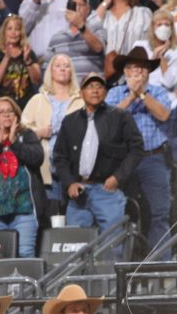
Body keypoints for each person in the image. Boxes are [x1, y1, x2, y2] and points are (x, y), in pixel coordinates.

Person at [52, 73, 144, 234]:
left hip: (107, 190)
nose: (95, 91)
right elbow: (60, 156)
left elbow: (136, 149)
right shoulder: (70, 121)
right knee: (76, 247)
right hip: (78, 193)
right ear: (81, 93)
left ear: (106, 93)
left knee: (112, 245)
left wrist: (118, 177)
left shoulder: (120, 117)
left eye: (99, 87)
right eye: (90, 87)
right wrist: (69, 183)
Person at [106, 47, 174, 259]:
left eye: (141, 68)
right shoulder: (115, 93)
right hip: (123, 162)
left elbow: (163, 115)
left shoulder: (159, 92)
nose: (137, 72)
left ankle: (160, 270)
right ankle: (124, 267)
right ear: (125, 72)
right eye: (132, 68)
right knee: (122, 214)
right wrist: (130, 96)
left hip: (152, 158)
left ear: (147, 72)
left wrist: (142, 94)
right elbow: (109, 121)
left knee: (158, 213)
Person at [0, 97, 46, 255]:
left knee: (25, 254)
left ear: (16, 115)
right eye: (1, 112)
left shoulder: (27, 135)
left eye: (10, 111)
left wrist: (14, 143)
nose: (6, 115)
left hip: (24, 210)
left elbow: (37, 159)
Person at [21, 54, 83, 205]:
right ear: (50, 71)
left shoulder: (81, 100)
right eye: (58, 65)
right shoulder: (38, 100)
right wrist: (38, 132)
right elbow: (21, 130)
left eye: (66, 65)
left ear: (71, 72)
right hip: (47, 170)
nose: (62, 68)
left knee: (75, 217)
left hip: (74, 168)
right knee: (52, 216)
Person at [89, 0, 153, 82]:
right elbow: (90, 27)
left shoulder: (142, 13)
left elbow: (150, 41)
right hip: (108, 75)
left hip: (135, 74)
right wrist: (106, 0)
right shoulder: (104, 15)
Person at [45, 0, 106, 81]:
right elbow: (47, 69)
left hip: (91, 89)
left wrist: (81, 26)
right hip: (66, 91)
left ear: (88, 10)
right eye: (73, 5)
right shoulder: (56, 38)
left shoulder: (97, 29)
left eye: (81, 5)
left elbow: (98, 48)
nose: (77, 8)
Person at [0, 14, 42, 109]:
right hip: (3, 106)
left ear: (21, 32)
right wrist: (6, 57)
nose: (13, 32)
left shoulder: (28, 52)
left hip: (26, 105)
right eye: (10, 29)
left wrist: (28, 61)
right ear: (4, 32)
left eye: (17, 29)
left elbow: (36, 80)